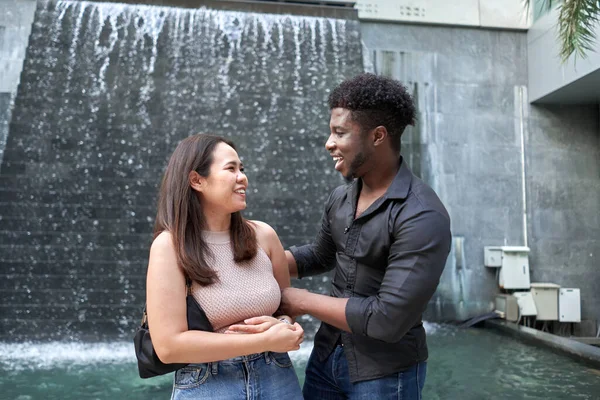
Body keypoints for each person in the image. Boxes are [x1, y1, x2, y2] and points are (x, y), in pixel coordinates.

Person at [279, 73, 452, 399]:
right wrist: (257, 259)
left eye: (339, 133)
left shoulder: (422, 215)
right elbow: (320, 255)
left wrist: (298, 300)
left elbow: (387, 319)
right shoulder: (340, 198)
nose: (328, 143)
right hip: (325, 357)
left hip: (384, 374)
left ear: (378, 136)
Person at [145, 133, 304, 399]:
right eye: (231, 168)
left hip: (277, 377)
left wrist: (286, 325)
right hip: (209, 384)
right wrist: (264, 340)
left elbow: (284, 308)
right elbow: (169, 346)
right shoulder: (169, 246)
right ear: (196, 180)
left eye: (242, 169)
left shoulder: (263, 235)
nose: (243, 177)